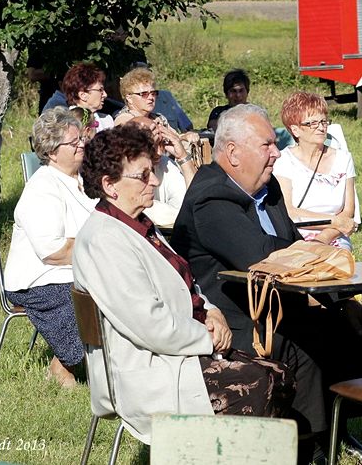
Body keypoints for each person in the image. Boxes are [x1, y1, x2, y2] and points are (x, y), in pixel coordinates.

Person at [72, 125, 294, 445]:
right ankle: (224, 452)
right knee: (261, 381)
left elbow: (185, 282)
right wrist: (210, 337)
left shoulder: (139, 226)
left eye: (153, 171)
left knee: (279, 373)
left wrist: (213, 312)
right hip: (148, 370)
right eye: (143, 175)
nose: (156, 181)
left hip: (179, 352)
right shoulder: (104, 240)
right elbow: (151, 326)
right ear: (110, 185)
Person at [171, 105, 362, 462]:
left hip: (274, 304)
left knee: (349, 318)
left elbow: (289, 244)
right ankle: (310, 442)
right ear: (232, 152)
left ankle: (340, 427)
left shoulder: (267, 186)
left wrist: (330, 292)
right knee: (305, 338)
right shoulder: (211, 197)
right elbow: (262, 255)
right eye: (267, 145)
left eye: (275, 145)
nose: (277, 153)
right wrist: (317, 248)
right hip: (235, 320)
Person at [3, 107, 97, 388]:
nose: (82, 144)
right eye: (74, 142)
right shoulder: (42, 187)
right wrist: (101, 252)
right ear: (53, 152)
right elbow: (52, 251)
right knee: (90, 298)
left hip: (72, 270)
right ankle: (65, 363)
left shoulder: (80, 182)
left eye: (82, 138)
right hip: (38, 280)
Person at [272, 92, 358, 250]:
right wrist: (334, 221)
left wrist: (323, 238)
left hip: (335, 236)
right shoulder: (283, 161)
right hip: (296, 237)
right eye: (312, 123)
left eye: (324, 121)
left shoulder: (343, 158)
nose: (321, 127)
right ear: (295, 130)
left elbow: (348, 212)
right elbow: (288, 211)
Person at [128, 115, 197, 228]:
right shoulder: (126, 173)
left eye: (161, 144)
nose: (159, 152)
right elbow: (176, 215)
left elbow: (194, 201)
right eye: (153, 146)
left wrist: (182, 157)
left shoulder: (164, 163)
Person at [60, 62, 114, 132]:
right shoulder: (67, 123)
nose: (105, 94)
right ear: (83, 95)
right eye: (100, 90)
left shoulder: (107, 120)